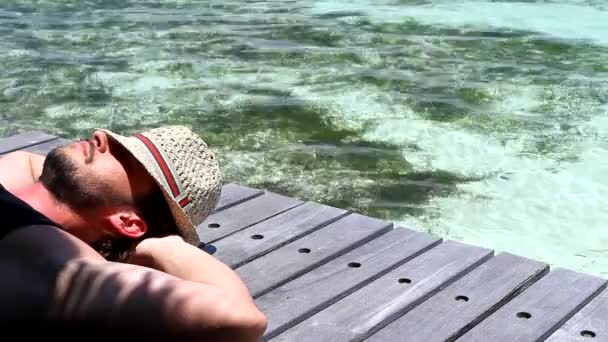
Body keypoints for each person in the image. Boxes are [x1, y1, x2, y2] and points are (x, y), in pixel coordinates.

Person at [0, 125, 267, 340]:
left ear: (128, 221)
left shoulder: (53, 261)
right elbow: (31, 163)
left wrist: (161, 245)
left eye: (124, 155)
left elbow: (241, 317)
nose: (100, 135)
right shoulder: (20, 174)